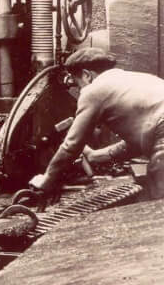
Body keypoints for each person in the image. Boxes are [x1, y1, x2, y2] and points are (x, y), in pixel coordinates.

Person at [30, 47, 164, 199]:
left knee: (159, 200)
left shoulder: (94, 90)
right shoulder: (134, 79)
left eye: (78, 84)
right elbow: (140, 140)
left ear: (87, 75)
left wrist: (47, 179)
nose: (80, 90)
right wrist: (96, 156)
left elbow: (71, 146)